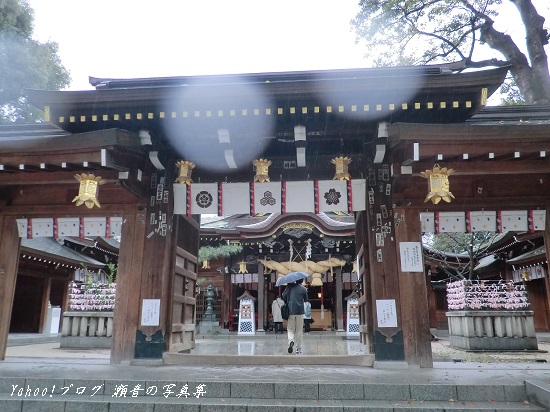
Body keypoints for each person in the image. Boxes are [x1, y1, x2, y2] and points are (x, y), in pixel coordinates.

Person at [282, 278, 308, 354]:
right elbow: (306, 300)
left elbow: (283, 296)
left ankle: (291, 341)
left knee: (290, 329)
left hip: (291, 311)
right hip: (300, 311)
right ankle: (298, 348)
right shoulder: (303, 289)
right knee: (299, 330)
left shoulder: (289, 288)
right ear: (301, 281)